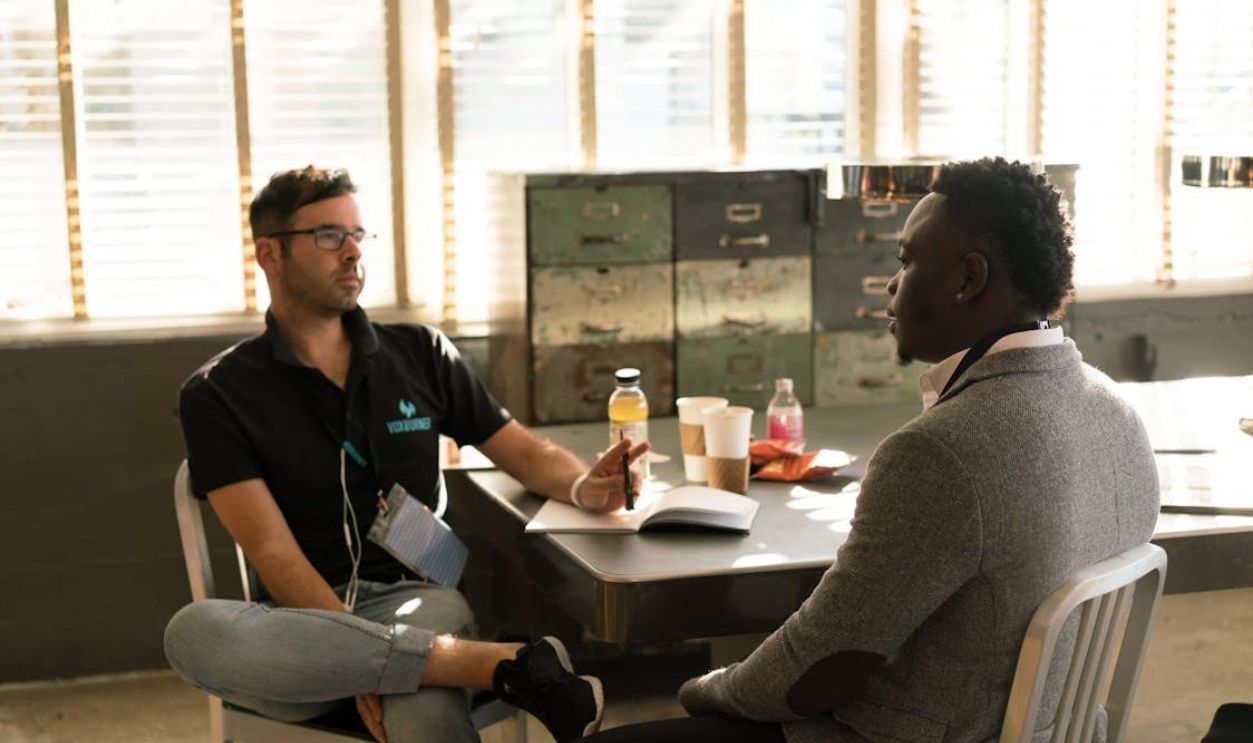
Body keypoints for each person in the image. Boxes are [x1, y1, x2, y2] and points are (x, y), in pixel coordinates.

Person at [578, 158, 1160, 743]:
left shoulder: (939, 452)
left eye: (906, 261)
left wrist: (703, 691)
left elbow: (817, 669)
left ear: (968, 279)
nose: (891, 284)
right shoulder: (1117, 412)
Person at [163, 165, 648, 743]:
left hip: (420, 602)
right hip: (298, 631)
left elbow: (523, 450)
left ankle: (442, 666)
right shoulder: (218, 394)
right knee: (193, 633)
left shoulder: (419, 352)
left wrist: (583, 486)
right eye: (327, 236)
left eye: (357, 235)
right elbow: (273, 555)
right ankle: (506, 664)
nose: (351, 252)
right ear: (270, 255)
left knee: (420, 708)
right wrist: (359, 660)